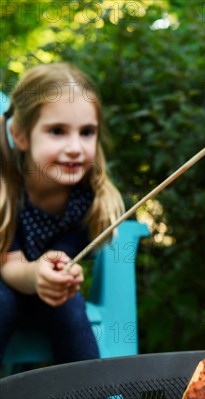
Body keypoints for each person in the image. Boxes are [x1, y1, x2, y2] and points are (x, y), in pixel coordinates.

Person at [0, 63, 124, 364]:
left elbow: (65, 257)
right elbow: (8, 263)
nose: (75, 147)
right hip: (6, 282)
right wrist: (36, 274)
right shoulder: (6, 189)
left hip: (50, 296)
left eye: (87, 132)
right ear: (21, 135)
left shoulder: (88, 198)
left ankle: (92, 390)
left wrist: (60, 276)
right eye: (57, 131)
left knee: (70, 309)